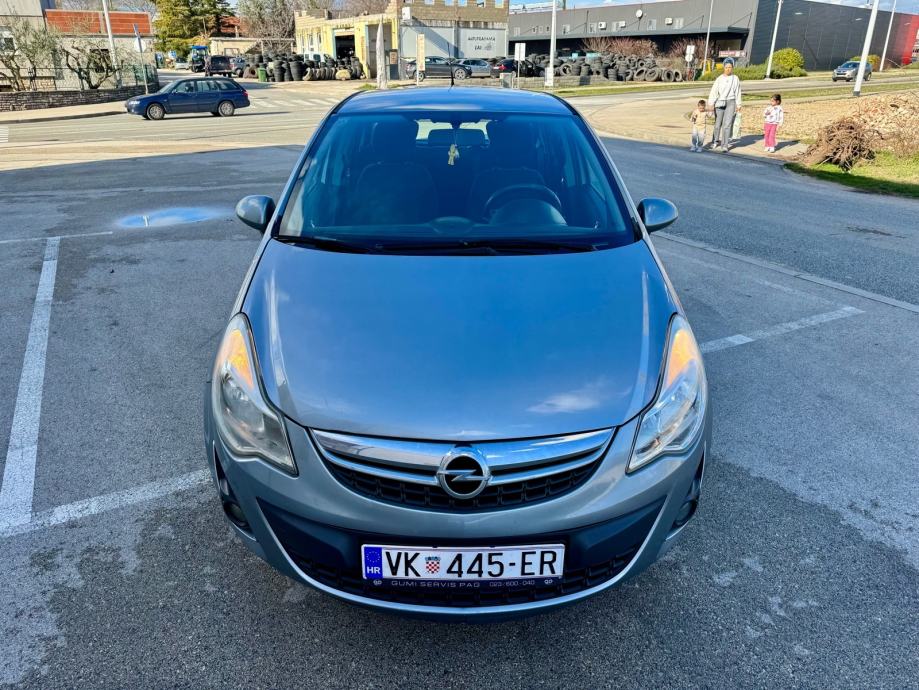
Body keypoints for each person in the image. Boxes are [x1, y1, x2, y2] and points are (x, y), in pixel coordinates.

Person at [707, 58, 742, 152]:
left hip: (731, 102)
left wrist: (738, 104)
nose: (728, 69)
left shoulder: (735, 78)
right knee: (717, 124)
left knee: (727, 124)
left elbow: (738, 92)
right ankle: (715, 141)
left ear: (732, 68)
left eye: (730, 67)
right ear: (724, 67)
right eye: (726, 67)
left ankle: (725, 145)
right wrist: (711, 103)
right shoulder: (719, 79)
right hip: (720, 102)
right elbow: (714, 91)